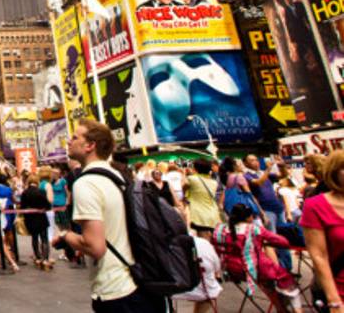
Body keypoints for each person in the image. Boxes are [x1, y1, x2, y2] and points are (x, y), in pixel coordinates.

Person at [62, 119, 166, 312]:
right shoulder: (118, 176)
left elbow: (95, 246)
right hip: (140, 279)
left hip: (115, 290)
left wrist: (65, 236)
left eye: (75, 137)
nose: (69, 141)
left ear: (90, 145)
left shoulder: (86, 184)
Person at [213, 203, 303, 312]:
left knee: (270, 285)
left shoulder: (221, 229)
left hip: (233, 270)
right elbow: (283, 242)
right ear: (248, 217)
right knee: (288, 283)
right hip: (255, 269)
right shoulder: (253, 229)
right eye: (252, 216)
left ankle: (281, 308)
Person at [301, 149, 344, 308]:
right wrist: (334, 300)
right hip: (339, 290)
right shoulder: (315, 205)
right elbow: (319, 256)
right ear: (333, 172)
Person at [244, 154, 291, 272]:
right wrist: (269, 168)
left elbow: (283, 175)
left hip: (278, 208)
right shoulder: (247, 176)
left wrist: (281, 166)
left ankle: (286, 266)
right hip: (266, 209)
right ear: (245, 164)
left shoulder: (264, 173)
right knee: (273, 238)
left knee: (283, 237)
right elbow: (258, 182)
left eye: (256, 159)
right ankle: (278, 267)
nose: (255, 162)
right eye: (252, 160)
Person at [172, 234, 222, 313]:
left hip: (174, 289)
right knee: (211, 289)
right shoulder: (204, 243)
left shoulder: (166, 242)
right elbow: (217, 267)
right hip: (204, 290)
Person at [20, 174, 52, 270]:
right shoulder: (41, 192)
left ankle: (37, 258)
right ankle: (45, 259)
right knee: (44, 238)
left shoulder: (25, 193)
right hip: (41, 217)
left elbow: (22, 207)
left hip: (30, 218)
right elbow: (48, 206)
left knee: (34, 238)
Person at [185, 159, 222, 234]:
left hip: (198, 215)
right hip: (213, 214)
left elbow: (183, 190)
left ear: (195, 169)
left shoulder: (191, 179)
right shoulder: (214, 182)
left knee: (203, 240)